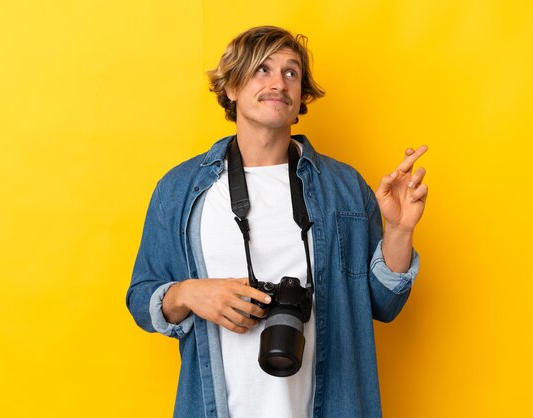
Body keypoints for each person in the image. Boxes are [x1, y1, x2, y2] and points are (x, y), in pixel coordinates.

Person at [127, 25, 428, 418]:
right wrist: (186, 293)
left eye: (291, 73)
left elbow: (384, 303)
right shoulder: (181, 189)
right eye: (261, 70)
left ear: (301, 95)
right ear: (231, 88)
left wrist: (400, 230)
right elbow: (140, 298)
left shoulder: (344, 187)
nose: (279, 83)